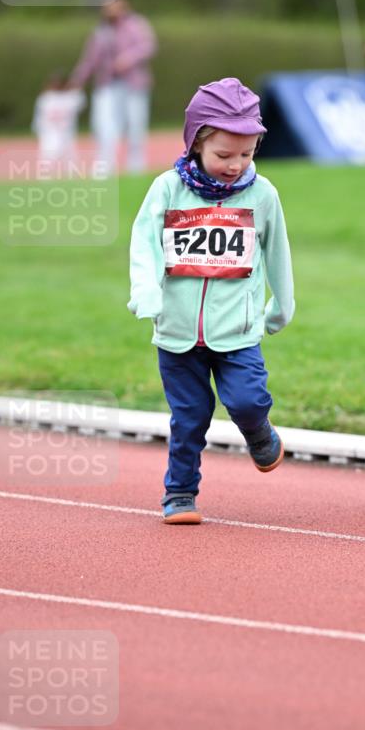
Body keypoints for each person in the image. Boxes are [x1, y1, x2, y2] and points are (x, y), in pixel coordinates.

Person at [128, 77, 295, 524]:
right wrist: (145, 291)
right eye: (224, 155)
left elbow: (278, 253)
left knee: (247, 401)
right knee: (189, 417)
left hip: (237, 331)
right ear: (196, 142)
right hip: (177, 331)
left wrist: (282, 305)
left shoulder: (263, 195)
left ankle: (259, 433)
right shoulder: (167, 189)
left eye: (247, 154)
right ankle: (180, 492)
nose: (235, 165)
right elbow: (144, 242)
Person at [70, 0, 156, 175]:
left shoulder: (136, 24)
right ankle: (104, 166)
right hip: (107, 84)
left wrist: (128, 59)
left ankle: (135, 167)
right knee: (103, 125)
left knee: (135, 125)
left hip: (133, 85)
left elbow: (148, 46)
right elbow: (90, 59)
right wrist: (77, 80)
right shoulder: (101, 32)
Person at [31, 72, 85, 167]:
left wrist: (37, 129)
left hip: (57, 136)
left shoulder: (45, 98)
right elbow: (80, 98)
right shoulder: (69, 98)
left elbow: (38, 120)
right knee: (64, 163)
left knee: (51, 162)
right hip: (57, 135)